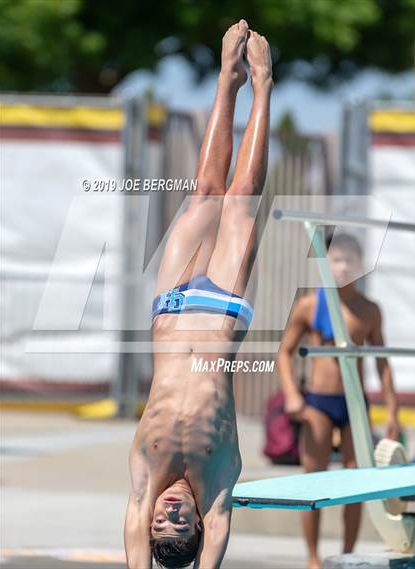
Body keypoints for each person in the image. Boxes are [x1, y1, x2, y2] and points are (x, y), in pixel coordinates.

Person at [124, 20, 273, 569]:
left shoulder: (145, 478)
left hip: (173, 305)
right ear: (200, 525)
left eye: (158, 522)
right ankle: (261, 85)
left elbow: (136, 533)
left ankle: (224, 81)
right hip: (223, 312)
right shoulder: (217, 481)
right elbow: (216, 535)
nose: (167, 513)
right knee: (240, 199)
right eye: (177, 524)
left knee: (205, 191)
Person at [277, 232, 401, 569]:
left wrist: (392, 411)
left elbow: (382, 362)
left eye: (350, 260)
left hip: (354, 405)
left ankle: (346, 554)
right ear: (324, 264)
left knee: (356, 481)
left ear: (361, 266)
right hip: (318, 404)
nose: (343, 267)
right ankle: (313, 557)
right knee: (312, 479)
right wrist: (291, 395)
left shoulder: (369, 310)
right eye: (336, 260)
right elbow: (284, 353)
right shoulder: (310, 305)